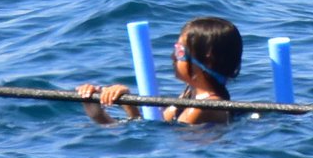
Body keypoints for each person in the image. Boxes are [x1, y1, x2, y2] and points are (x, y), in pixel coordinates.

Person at [76, 17, 242, 126]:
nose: (172, 56)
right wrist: (100, 112)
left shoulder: (202, 109)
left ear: (208, 59)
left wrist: (129, 109)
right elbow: (152, 125)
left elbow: (150, 144)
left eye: (179, 52)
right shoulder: (189, 96)